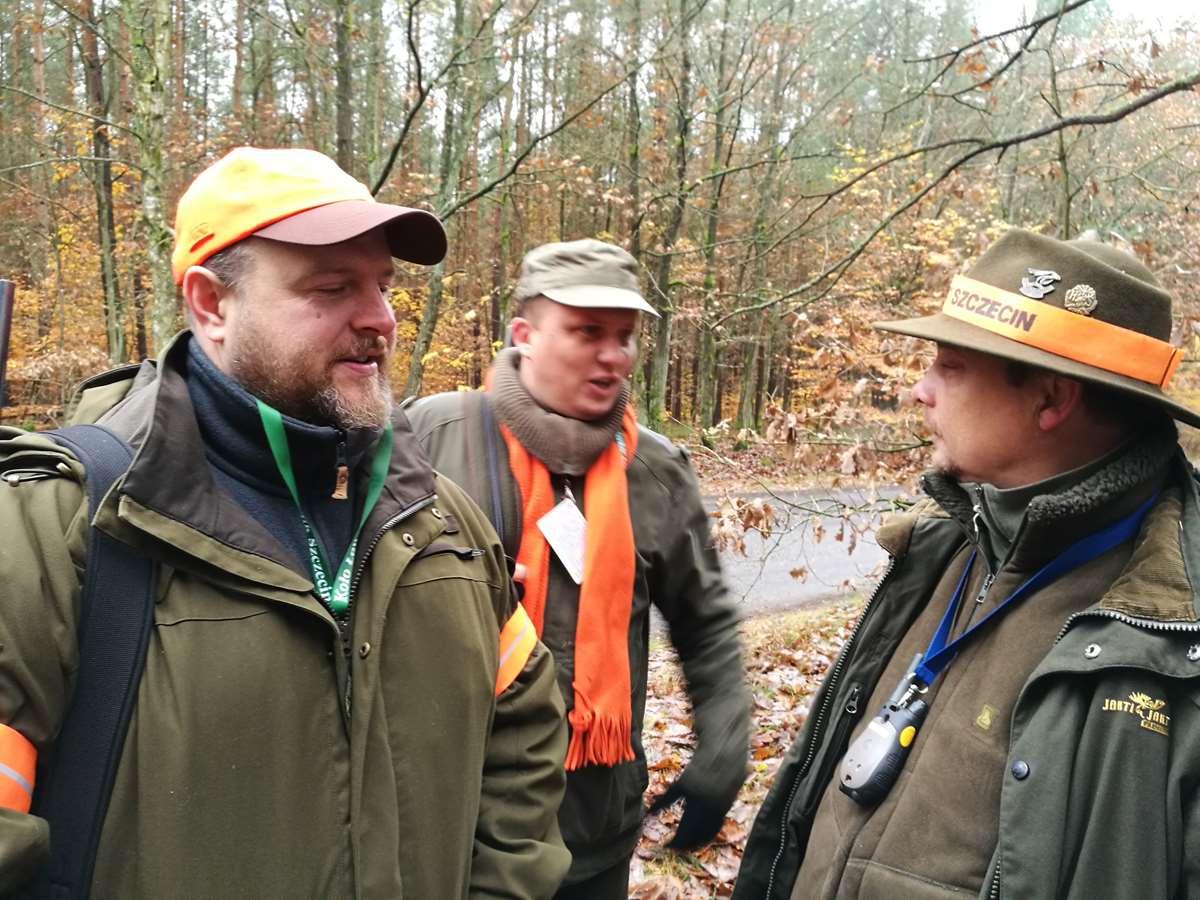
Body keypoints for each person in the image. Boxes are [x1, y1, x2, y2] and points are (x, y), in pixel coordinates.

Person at [0, 147, 571, 899]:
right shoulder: (62, 524)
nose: (380, 319)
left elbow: (524, 727)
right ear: (212, 304)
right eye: (332, 287)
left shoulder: (443, 523)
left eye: (382, 286)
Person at [733, 228, 1200, 900]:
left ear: (1051, 399)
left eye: (950, 367)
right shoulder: (940, 548)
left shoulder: (1173, 637)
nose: (919, 390)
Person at [403, 239, 751, 899]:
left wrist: (724, 743)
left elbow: (705, 621)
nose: (613, 355)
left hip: (589, 829)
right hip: (448, 823)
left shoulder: (654, 470)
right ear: (524, 335)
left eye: (625, 336)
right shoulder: (430, 438)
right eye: (588, 332)